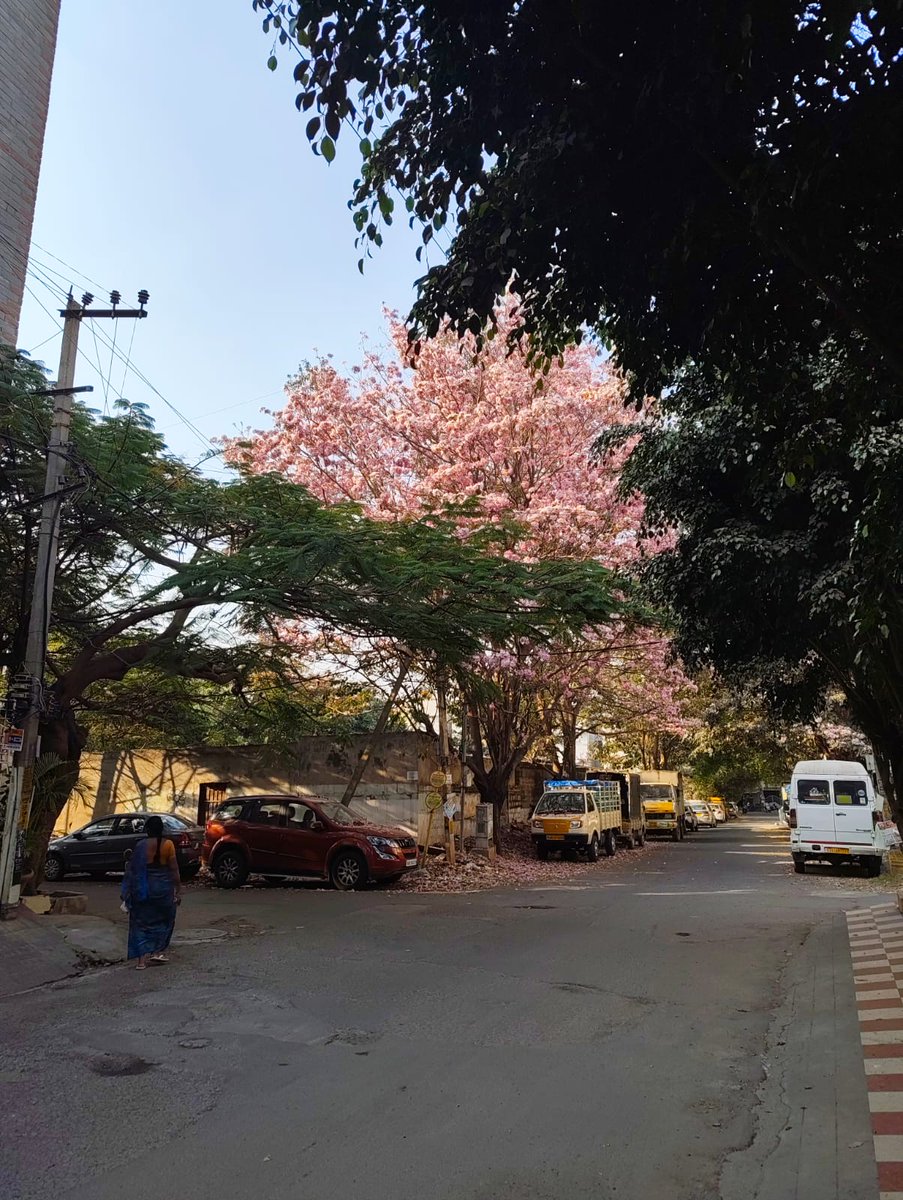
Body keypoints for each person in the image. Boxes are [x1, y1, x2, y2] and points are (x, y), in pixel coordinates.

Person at [120, 815, 182, 970]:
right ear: (161, 829)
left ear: (147, 829)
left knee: (140, 923)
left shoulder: (141, 845)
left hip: (143, 889)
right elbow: (174, 869)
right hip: (163, 889)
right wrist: (178, 889)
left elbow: (133, 870)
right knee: (164, 920)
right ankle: (157, 952)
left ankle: (141, 961)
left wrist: (128, 892)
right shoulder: (168, 845)